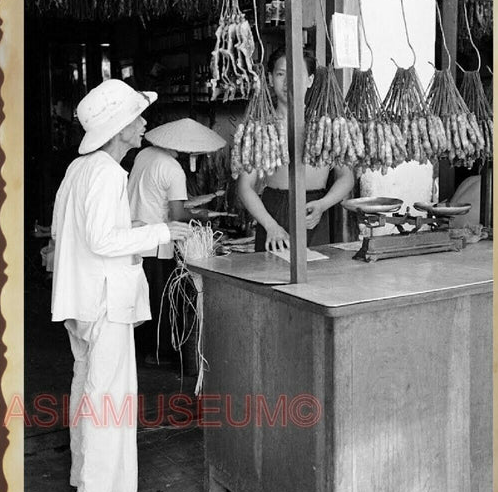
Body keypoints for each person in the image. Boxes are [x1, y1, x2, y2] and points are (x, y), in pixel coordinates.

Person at [51, 79, 190, 492]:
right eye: (136, 117)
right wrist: (162, 232)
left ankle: (85, 478)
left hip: (82, 297)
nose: (144, 122)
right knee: (111, 396)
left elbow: (67, 232)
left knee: (88, 390)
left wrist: (133, 226)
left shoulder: (80, 170)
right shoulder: (107, 172)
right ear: (119, 129)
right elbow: (102, 238)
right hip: (105, 300)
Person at [127, 119, 226, 365]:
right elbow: (178, 215)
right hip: (158, 242)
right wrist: (201, 215)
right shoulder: (173, 169)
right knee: (161, 300)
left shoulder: (144, 154)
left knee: (142, 297)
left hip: (135, 237)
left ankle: (141, 350)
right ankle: (158, 354)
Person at [238, 47, 354, 252]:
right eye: (281, 74)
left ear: (309, 80)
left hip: (316, 210)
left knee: (320, 278)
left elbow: (346, 177)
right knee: (272, 278)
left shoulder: (325, 126)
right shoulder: (262, 128)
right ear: (271, 79)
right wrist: (270, 225)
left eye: (296, 75)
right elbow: (245, 186)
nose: (288, 82)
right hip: (275, 209)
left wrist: (323, 204)